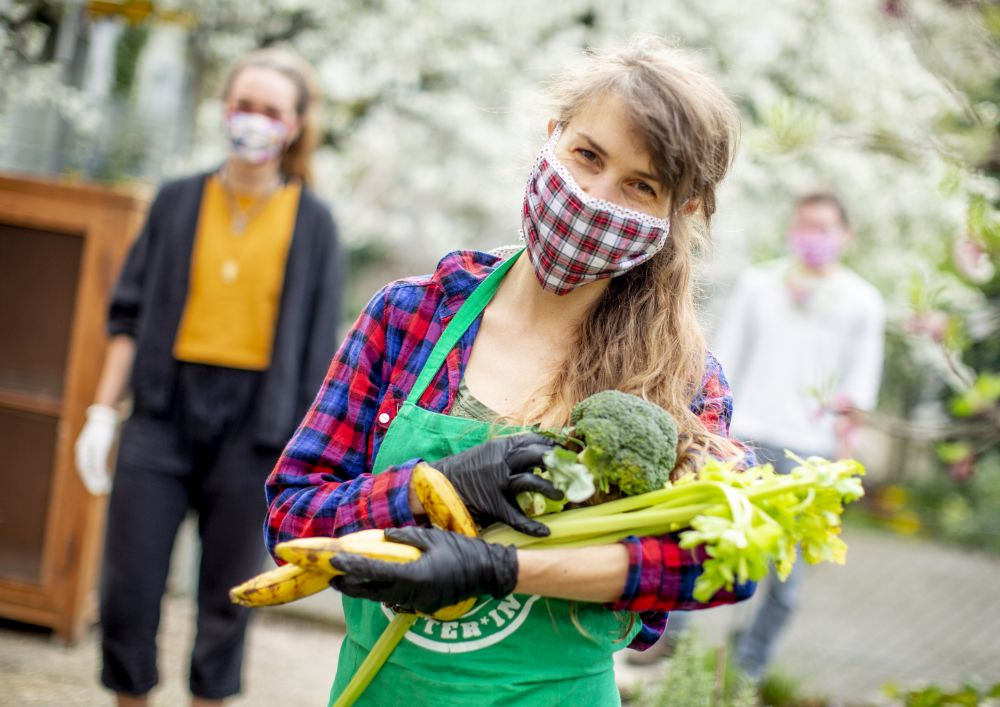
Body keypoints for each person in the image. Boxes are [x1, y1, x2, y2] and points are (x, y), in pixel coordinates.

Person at [266, 36, 755, 706]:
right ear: (550, 136)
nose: (591, 196)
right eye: (587, 155)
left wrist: (502, 567)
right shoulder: (411, 318)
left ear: (682, 212)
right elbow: (291, 520)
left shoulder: (681, 378)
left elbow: (718, 564)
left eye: (639, 186)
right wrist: (431, 488)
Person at [73, 49, 342, 706]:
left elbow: (320, 357)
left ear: (297, 125)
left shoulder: (315, 224)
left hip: (257, 428)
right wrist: (102, 413)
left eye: (271, 111)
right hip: (163, 410)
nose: (254, 122)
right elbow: (129, 315)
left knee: (228, 600)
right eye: (244, 106)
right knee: (128, 589)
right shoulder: (175, 201)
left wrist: (313, 461)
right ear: (225, 111)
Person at [712, 190, 885, 681]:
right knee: (707, 548)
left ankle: (748, 671)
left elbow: (860, 390)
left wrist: (844, 464)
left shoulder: (862, 302)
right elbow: (723, 364)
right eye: (804, 225)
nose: (812, 237)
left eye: (824, 228)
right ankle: (670, 643)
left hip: (812, 453)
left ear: (846, 236)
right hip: (745, 440)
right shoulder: (757, 284)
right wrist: (716, 437)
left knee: (786, 580)